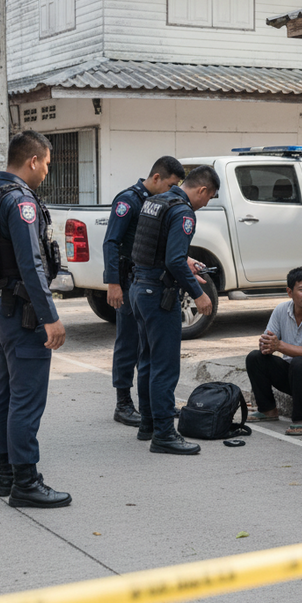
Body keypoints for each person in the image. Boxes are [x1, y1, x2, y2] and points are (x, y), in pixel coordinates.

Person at [0, 130, 70, 508]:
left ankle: (7, 474)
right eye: (46, 163)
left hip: (0, 307)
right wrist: (51, 317)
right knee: (26, 400)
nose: (47, 171)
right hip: (23, 312)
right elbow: (31, 264)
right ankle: (26, 482)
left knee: (6, 392)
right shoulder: (20, 203)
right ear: (32, 160)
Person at [130, 165, 219, 454]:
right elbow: (173, 261)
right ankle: (165, 434)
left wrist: (186, 258)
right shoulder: (183, 211)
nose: (205, 204)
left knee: (147, 361)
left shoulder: (155, 201)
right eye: (209, 198)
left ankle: (148, 425)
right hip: (159, 295)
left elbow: (156, 247)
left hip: (139, 288)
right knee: (165, 367)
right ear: (202, 190)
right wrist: (199, 295)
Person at [102, 156, 185, 427]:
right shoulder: (130, 200)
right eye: (171, 184)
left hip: (146, 281)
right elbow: (111, 242)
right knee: (129, 342)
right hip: (127, 281)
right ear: (157, 178)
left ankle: (155, 404)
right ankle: (123, 402)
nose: (174, 191)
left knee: (149, 347)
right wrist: (113, 283)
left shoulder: (158, 203)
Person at [245, 267, 302, 436]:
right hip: (295, 375)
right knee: (255, 357)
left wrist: (279, 346)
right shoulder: (281, 310)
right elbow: (269, 341)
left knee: (300, 362)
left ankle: (301, 419)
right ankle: (268, 410)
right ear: (290, 292)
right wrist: (266, 346)